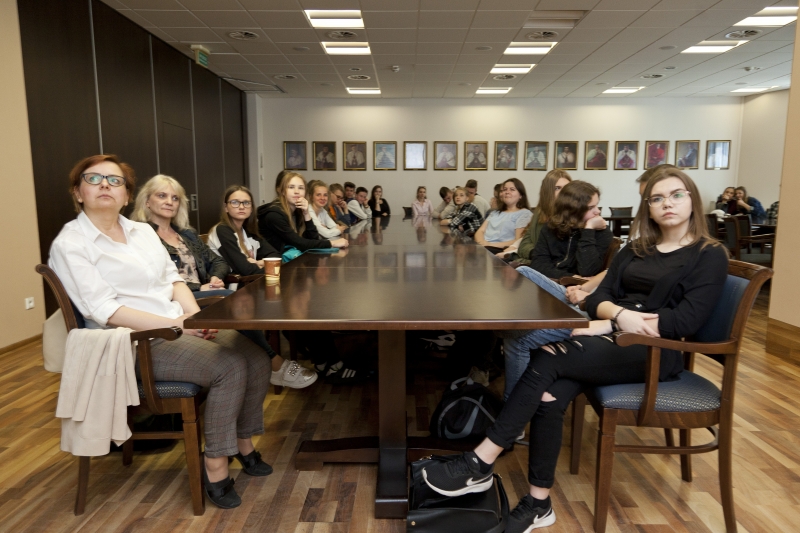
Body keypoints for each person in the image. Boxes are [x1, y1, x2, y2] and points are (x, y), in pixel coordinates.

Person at [421, 168, 728, 533]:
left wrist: (616, 321)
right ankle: (538, 503)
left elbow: (685, 321)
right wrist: (620, 317)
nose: (667, 204)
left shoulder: (708, 254)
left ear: (692, 199)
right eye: (657, 198)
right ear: (648, 206)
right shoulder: (636, 249)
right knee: (548, 395)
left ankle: (481, 460)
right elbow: (597, 297)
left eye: (677, 195)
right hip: (613, 336)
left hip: (655, 352)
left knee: (547, 354)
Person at [50, 154, 277, 510]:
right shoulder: (71, 243)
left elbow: (174, 280)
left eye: (115, 180)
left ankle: (242, 441)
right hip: (130, 343)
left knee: (257, 357)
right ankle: (215, 463)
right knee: (229, 366)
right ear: (78, 192)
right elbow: (105, 311)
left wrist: (193, 318)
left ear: (127, 195)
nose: (105, 185)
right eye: (93, 179)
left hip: (176, 327)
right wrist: (178, 325)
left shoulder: (141, 232)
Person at [134, 175, 317, 391]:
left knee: (287, 295)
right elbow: (155, 281)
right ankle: (276, 362)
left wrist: (214, 277)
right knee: (233, 299)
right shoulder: (142, 236)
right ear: (147, 201)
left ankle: (286, 359)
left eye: (175, 198)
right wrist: (199, 287)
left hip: (205, 294)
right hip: (175, 301)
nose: (169, 202)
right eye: (162, 196)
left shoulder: (187, 234)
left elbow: (218, 261)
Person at [257, 172, 349, 252]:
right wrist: (332, 243)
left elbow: (313, 238)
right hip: (273, 262)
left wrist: (306, 213)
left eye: (301, 188)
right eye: (291, 187)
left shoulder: (298, 211)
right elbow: (299, 243)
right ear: (283, 191)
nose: (296, 191)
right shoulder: (274, 215)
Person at [208, 185, 281, 277]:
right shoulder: (222, 230)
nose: (242, 207)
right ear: (226, 207)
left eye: (246, 203)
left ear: (251, 208)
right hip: (232, 283)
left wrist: (257, 262)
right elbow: (245, 269)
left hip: (253, 279)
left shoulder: (247, 230)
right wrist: (267, 267)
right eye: (235, 202)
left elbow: (275, 256)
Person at [501, 170, 572, 264]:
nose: (563, 192)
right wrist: (537, 254)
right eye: (557, 188)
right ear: (548, 192)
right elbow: (524, 245)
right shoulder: (539, 213)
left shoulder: (574, 215)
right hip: (536, 261)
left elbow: (558, 256)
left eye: (566, 188)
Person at [473, 178, 533, 254]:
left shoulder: (524, 214)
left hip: (501, 250)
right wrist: (481, 243)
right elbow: (480, 231)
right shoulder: (495, 212)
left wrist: (489, 244)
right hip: (483, 247)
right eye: (505, 189)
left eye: (512, 189)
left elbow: (518, 240)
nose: (507, 192)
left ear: (520, 195)